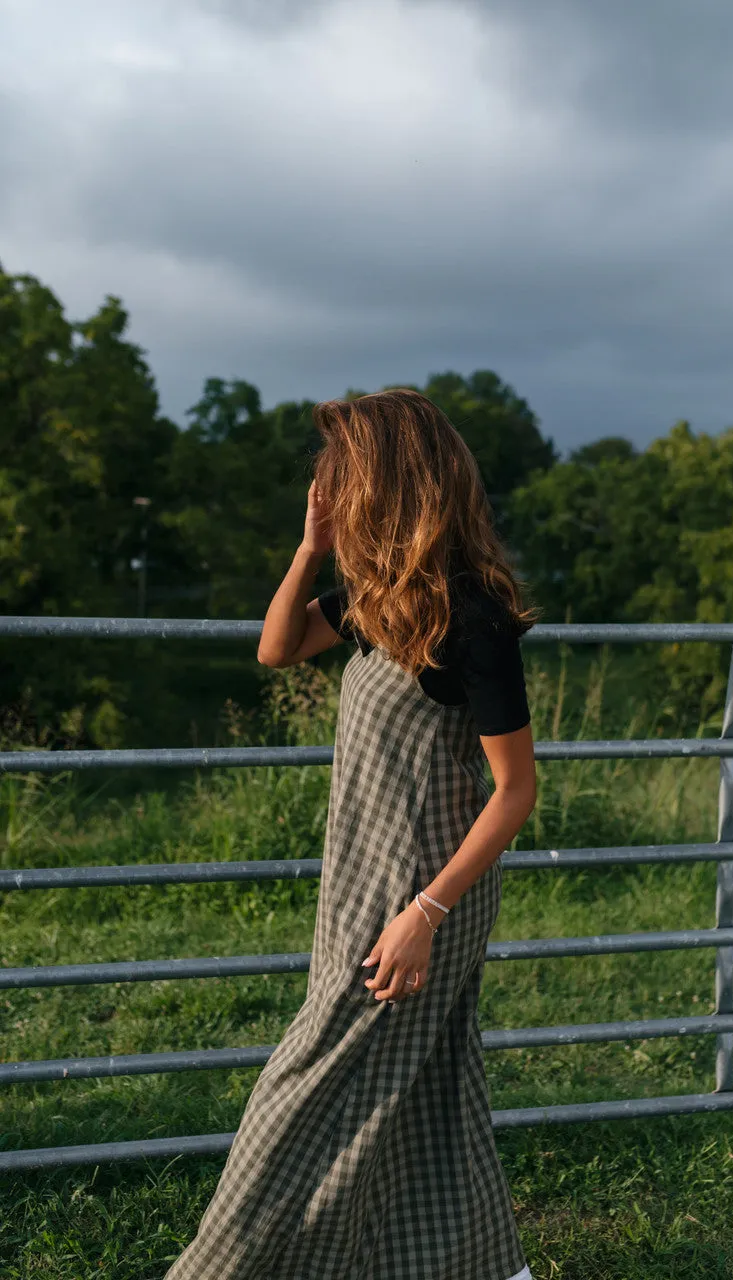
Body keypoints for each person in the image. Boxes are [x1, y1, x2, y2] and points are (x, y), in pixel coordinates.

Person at [164, 388, 541, 1280]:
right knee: (432, 1093)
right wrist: (308, 548)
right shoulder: (377, 600)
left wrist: (426, 914)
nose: (329, 483)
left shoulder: (474, 616)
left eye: (344, 471)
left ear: (391, 481)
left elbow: (516, 791)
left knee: (295, 1098)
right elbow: (276, 649)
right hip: (359, 893)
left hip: (418, 904)